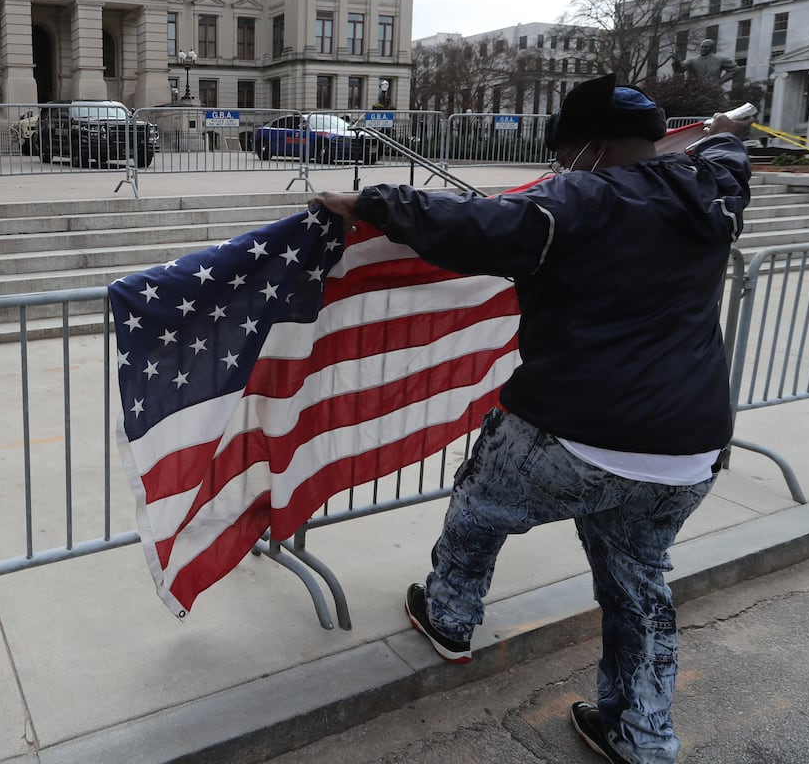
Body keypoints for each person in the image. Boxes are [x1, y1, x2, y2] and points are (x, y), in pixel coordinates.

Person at [314, 74, 751, 764]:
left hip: (572, 431)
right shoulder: (716, 190)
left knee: (479, 507)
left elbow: (471, 226)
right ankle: (642, 736)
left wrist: (372, 200)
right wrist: (726, 132)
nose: (560, 163)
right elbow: (728, 152)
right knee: (639, 586)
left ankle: (451, 616)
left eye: (567, 149)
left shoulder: (575, 198)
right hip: (688, 451)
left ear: (591, 147)